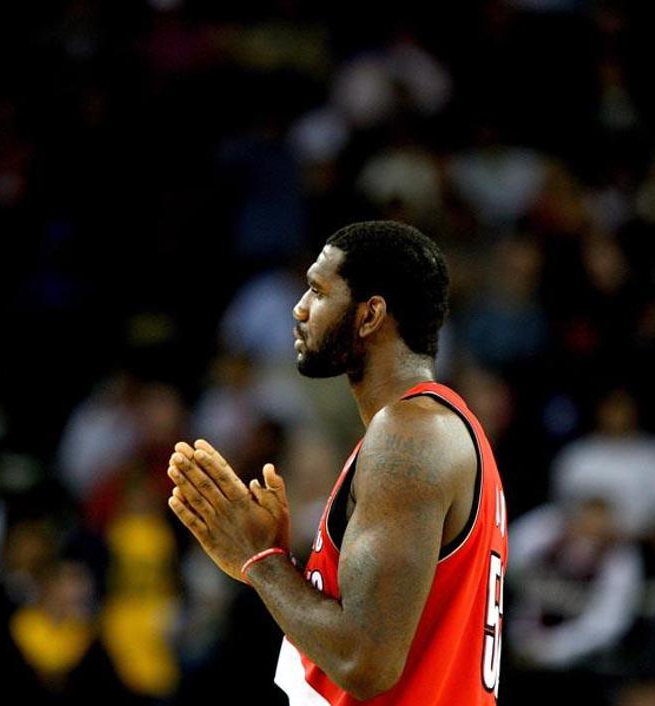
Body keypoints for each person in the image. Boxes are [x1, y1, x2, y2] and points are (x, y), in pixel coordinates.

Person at [166, 221, 509, 704]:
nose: (299, 308)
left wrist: (259, 561)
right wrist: (279, 560)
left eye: (318, 291)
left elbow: (364, 662)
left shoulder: (409, 435)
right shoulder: (427, 431)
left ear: (370, 315)